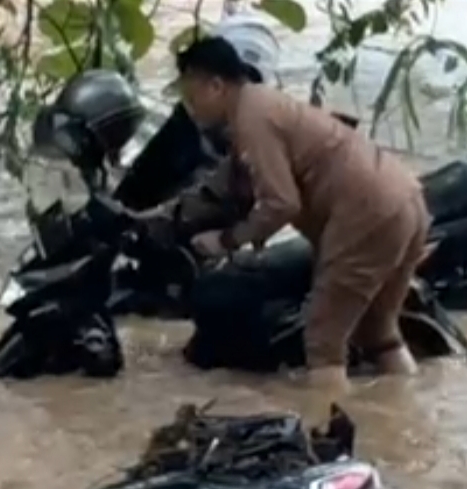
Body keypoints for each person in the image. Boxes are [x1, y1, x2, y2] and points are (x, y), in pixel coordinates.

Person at [145, 36, 429, 392]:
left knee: (323, 343)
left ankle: (330, 437)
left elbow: (281, 203)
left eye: (192, 97)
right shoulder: (265, 105)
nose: (191, 109)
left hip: (366, 215)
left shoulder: (252, 119)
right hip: (407, 201)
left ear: (216, 86)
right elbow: (228, 181)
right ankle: (406, 415)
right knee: (378, 331)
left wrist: (226, 240)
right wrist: (164, 214)